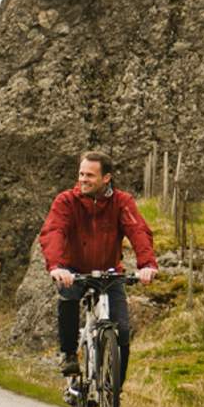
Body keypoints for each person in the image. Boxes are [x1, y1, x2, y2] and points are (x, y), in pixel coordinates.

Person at [38, 150, 157, 380]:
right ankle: (70, 354)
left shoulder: (122, 202)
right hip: (73, 270)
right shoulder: (66, 201)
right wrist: (57, 267)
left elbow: (138, 231)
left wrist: (147, 265)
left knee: (122, 332)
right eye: (81, 174)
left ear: (106, 178)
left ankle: (114, 394)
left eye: (90, 175)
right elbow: (54, 231)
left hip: (109, 272)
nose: (83, 179)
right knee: (68, 295)